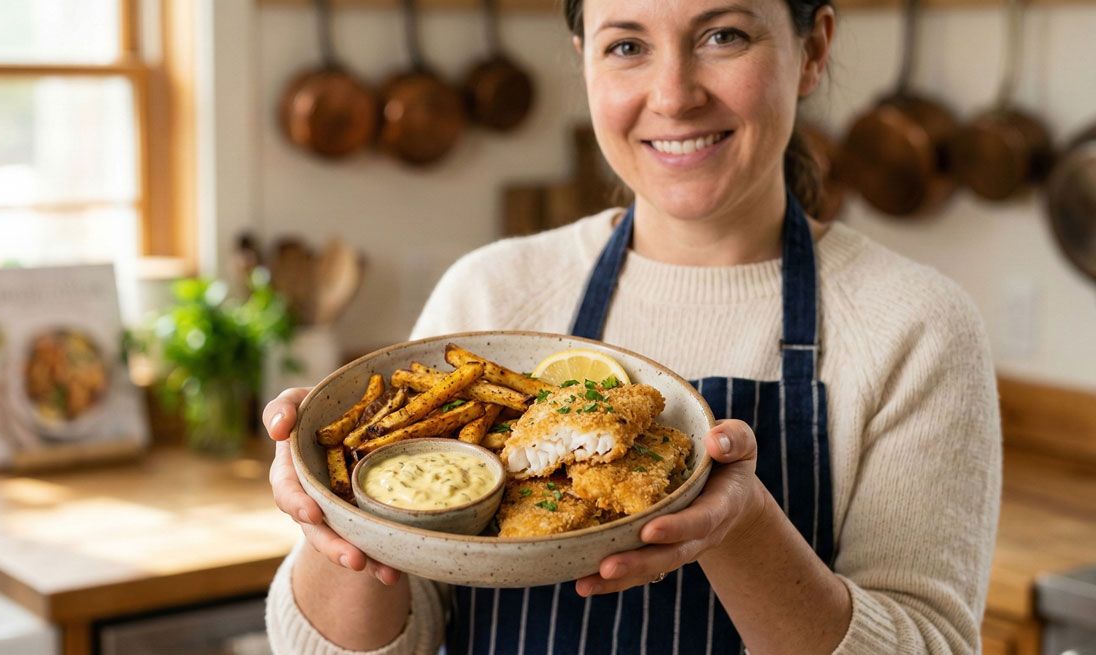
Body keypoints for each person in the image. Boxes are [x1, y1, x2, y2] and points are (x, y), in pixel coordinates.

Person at [261, 0, 1002, 651]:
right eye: (627, 45)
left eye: (724, 36)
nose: (673, 95)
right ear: (586, 61)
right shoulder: (492, 294)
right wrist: (335, 515)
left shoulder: (917, 327)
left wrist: (739, 529)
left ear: (812, 50)